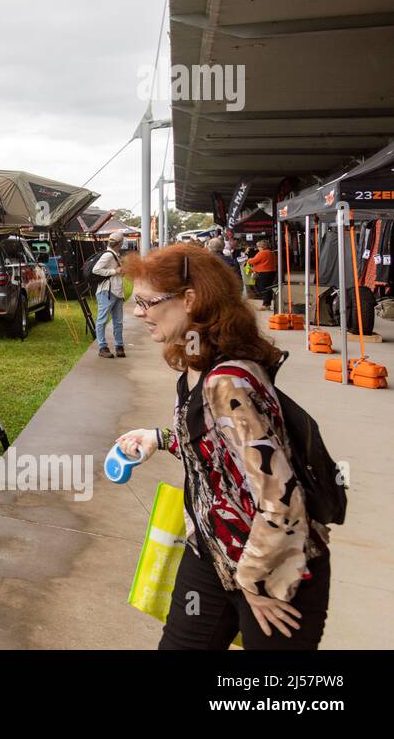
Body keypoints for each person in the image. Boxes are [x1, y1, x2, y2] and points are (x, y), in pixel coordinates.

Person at [114, 244, 331, 650]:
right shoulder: (200, 363)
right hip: (213, 555)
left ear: (190, 300)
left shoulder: (227, 382)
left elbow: (281, 498)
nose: (138, 311)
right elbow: (222, 451)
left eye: (145, 302)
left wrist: (255, 580)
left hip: (275, 568)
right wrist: (158, 439)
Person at [92, 232, 127, 358]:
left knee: (118, 322)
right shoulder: (108, 255)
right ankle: (102, 347)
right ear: (119, 243)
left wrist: (120, 270)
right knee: (102, 320)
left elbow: (119, 274)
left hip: (117, 292)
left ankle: (119, 346)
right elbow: (95, 270)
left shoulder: (115, 255)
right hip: (107, 292)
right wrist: (114, 271)